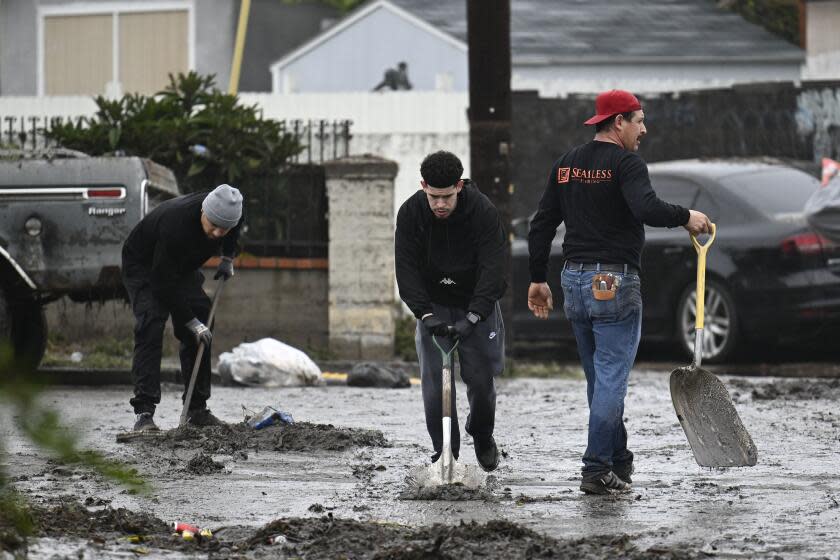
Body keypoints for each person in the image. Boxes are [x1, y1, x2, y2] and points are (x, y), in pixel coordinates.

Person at [526, 90, 712, 495]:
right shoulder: (627, 163)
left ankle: (618, 461)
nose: (644, 129)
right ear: (618, 123)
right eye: (639, 121)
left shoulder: (566, 165)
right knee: (610, 379)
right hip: (612, 281)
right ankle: (595, 468)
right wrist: (687, 218)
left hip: (573, 280)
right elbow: (645, 208)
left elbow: (541, 224)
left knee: (599, 378)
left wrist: (537, 278)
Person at [395, 150, 506, 471]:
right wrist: (425, 315)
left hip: (476, 304)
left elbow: (494, 269)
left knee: (482, 379)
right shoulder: (412, 213)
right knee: (434, 383)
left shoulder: (482, 211)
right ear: (423, 187)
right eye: (433, 197)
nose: (440, 204)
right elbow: (406, 269)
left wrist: (474, 316)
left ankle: (482, 434)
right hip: (433, 306)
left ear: (459, 186)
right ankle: (446, 451)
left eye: (446, 196)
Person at [121, 184, 244, 432]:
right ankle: (144, 413)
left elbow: (233, 229)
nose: (218, 233)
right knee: (151, 324)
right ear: (203, 211)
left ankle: (196, 410)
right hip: (145, 266)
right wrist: (189, 321)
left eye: (225, 228)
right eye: (213, 225)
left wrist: (228, 257)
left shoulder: (231, 211)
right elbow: (162, 283)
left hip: (180, 265)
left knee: (203, 317)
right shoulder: (175, 225)